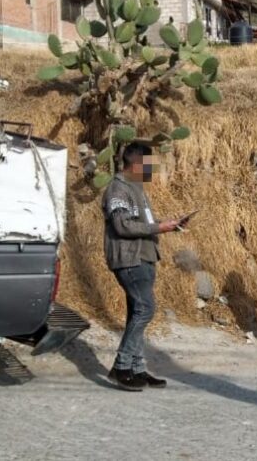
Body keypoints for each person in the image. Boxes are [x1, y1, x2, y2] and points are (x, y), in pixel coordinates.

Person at [102, 143, 186, 391]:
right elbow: (122, 225)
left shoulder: (136, 189)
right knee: (146, 309)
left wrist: (167, 225)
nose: (152, 169)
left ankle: (137, 369)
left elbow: (142, 223)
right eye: (149, 165)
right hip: (130, 259)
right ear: (137, 164)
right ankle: (121, 366)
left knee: (137, 312)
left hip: (144, 258)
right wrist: (158, 227)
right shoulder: (118, 189)